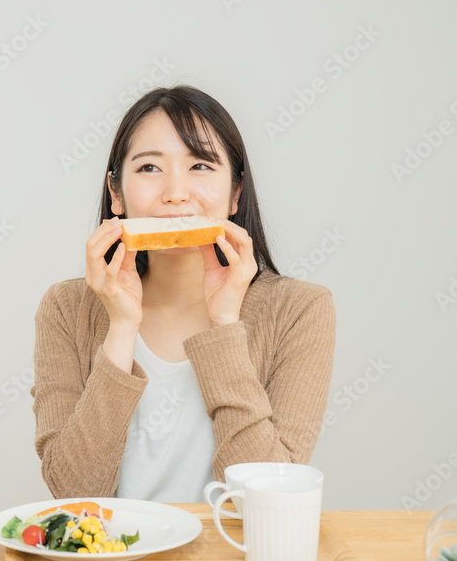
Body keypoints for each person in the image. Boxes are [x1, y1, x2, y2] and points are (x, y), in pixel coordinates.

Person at [31, 84, 336, 502]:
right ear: (116, 194)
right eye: (149, 169)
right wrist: (121, 326)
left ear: (235, 193)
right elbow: (75, 493)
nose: (176, 192)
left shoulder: (301, 310)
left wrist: (225, 326)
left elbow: (268, 498)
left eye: (201, 166)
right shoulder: (66, 309)